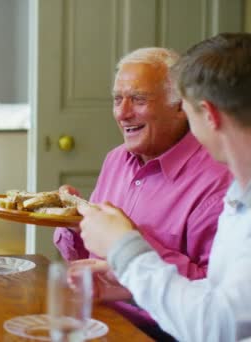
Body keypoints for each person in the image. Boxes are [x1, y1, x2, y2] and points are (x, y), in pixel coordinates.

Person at [78, 32, 251, 342]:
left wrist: (126, 249)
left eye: (187, 108)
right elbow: (220, 295)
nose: (122, 112)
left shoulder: (225, 187)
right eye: (117, 99)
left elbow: (218, 327)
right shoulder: (241, 194)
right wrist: (131, 287)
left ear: (206, 114)